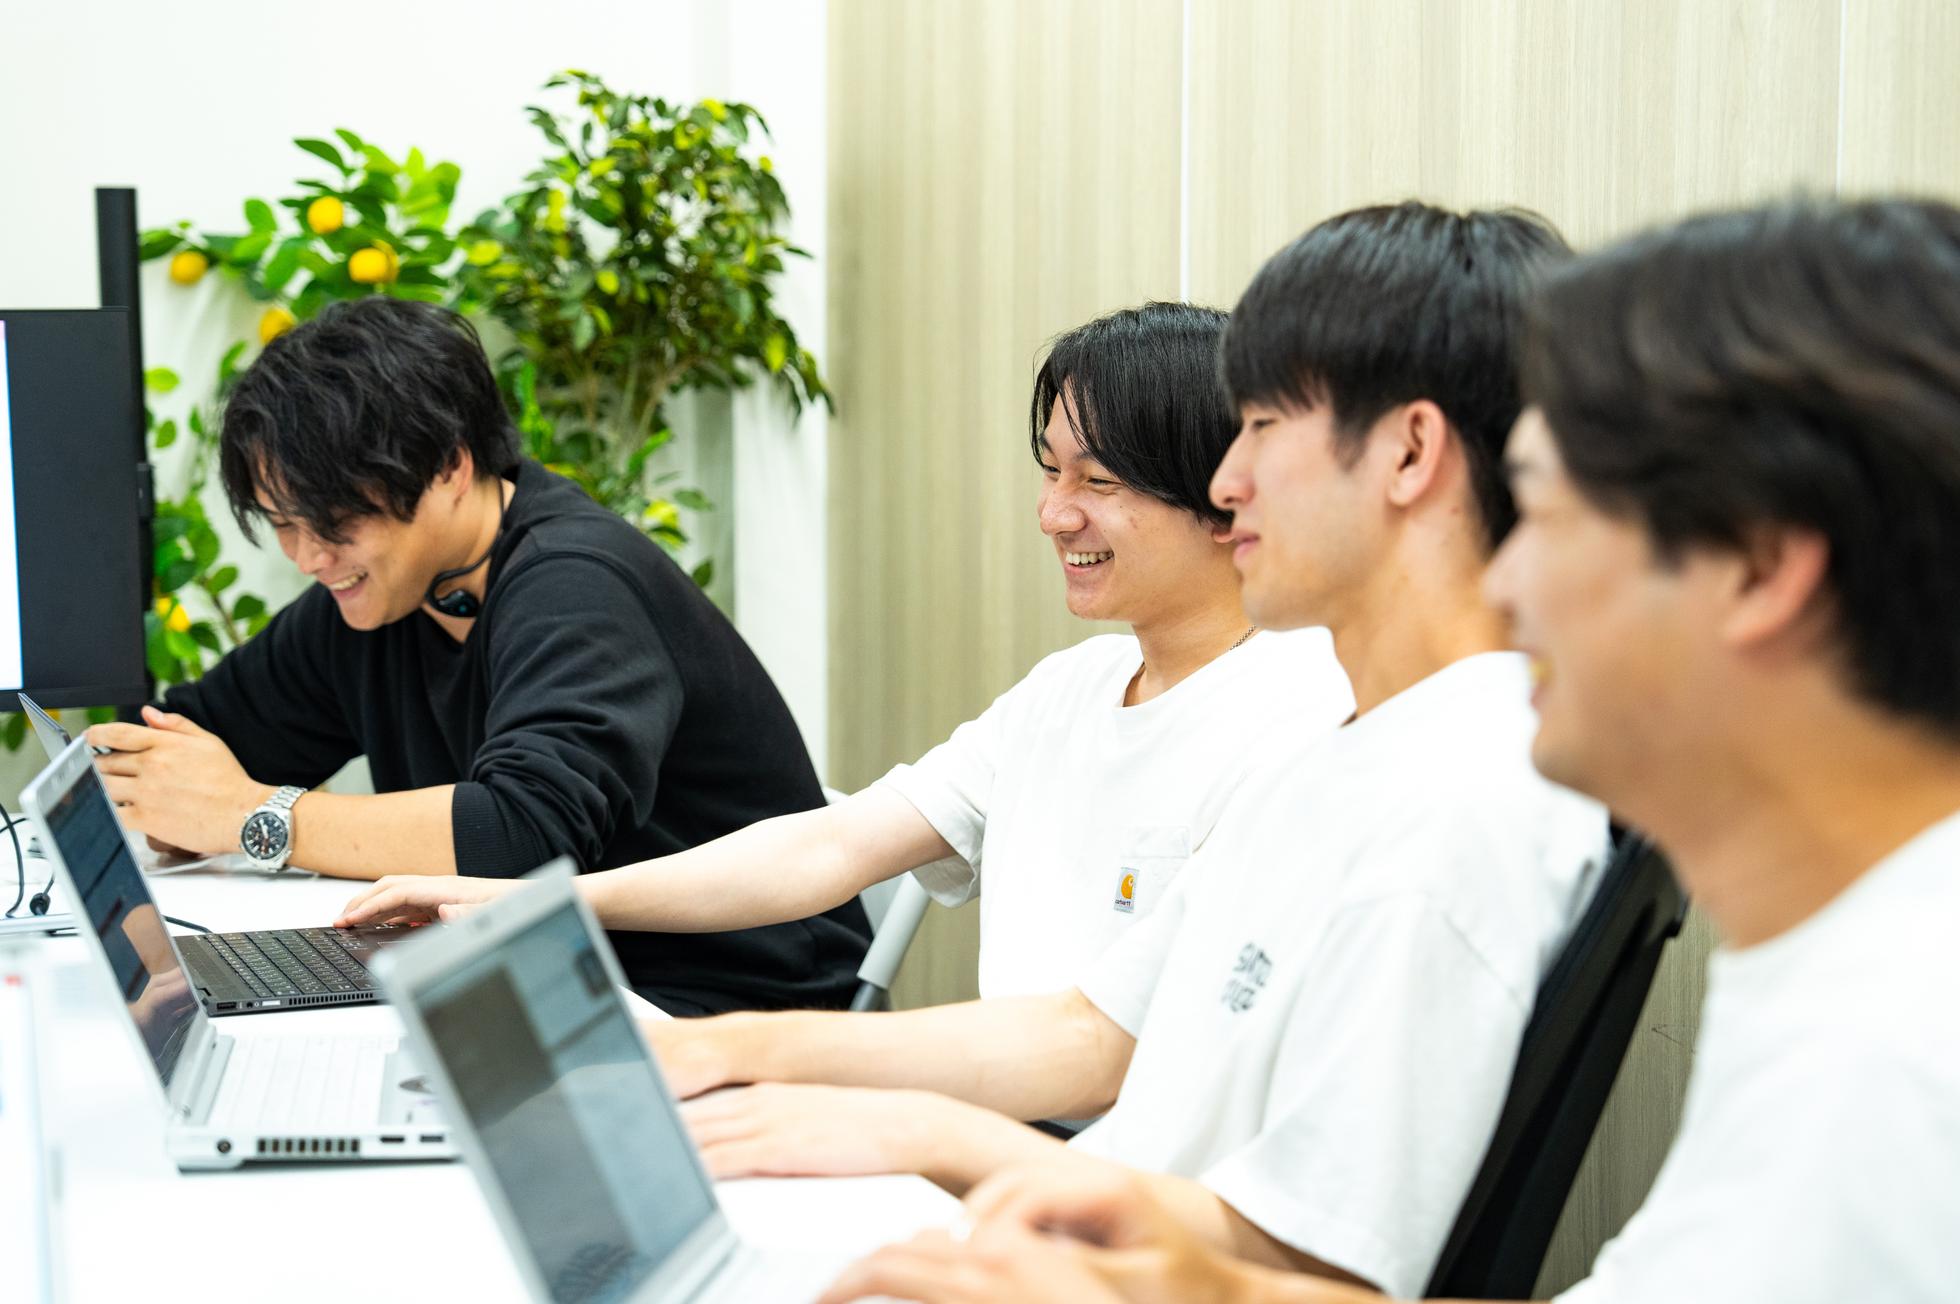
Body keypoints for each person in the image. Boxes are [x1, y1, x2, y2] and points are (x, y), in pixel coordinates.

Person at [827, 197, 1960, 1303]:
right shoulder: (1834, 965)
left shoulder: (1898, 1036)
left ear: (1760, 570)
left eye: (1551, 517)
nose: (1509, 579)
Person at [594, 203, 1608, 1295]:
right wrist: (750, 1058)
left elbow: (1320, 1268)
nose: (1226, 481)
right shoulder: (1353, 749)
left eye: (1264, 426)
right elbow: (1097, 1035)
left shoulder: (1456, 798)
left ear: (1409, 451)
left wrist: (914, 1135)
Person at [337, 302, 1355, 999]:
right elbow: (824, 849)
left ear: (1223, 493)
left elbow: (1118, 1054)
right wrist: (525, 901)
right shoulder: (1070, 689)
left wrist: (786, 1067)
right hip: (1003, 1136)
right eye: (1049, 472)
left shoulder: (1301, 719)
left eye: (1098, 482)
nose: (1053, 514)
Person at [87, 296, 868, 1016]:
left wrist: (252, 817)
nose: (308, 557)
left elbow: (522, 840)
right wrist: (171, 797)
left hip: (725, 1005)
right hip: (546, 980)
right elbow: (201, 737)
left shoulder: (578, 583)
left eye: (334, 521)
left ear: (450, 467)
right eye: (283, 523)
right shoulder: (377, 598)